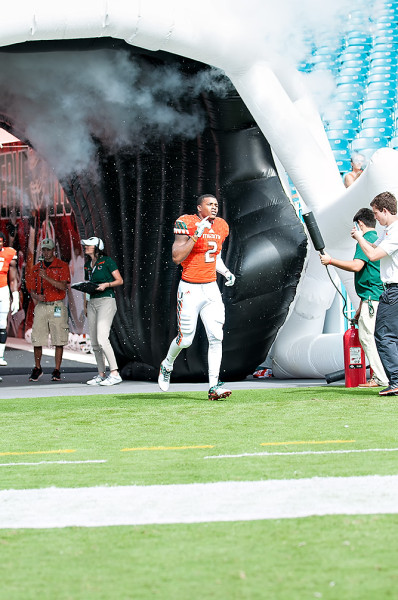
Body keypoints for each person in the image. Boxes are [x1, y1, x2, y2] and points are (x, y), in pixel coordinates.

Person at [158, 194, 236, 400]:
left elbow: (214, 256)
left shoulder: (221, 226)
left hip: (210, 288)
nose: (214, 207)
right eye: (209, 204)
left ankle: (213, 386)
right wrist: (195, 236)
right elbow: (176, 257)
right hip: (190, 289)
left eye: (216, 204)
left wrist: (226, 272)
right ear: (199, 207)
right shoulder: (188, 222)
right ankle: (167, 364)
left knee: (216, 336)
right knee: (185, 340)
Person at [320, 208, 387, 388]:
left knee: (367, 337)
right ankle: (385, 375)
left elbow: (357, 266)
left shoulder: (364, 241)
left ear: (360, 224)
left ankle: (381, 377)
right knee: (382, 338)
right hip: (379, 296)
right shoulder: (379, 240)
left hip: (372, 298)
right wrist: (360, 308)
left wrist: (331, 260)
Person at [351, 191, 398, 396]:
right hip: (391, 290)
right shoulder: (389, 231)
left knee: (383, 334)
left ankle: (395, 381)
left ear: (385, 211)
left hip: (394, 290)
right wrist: (363, 240)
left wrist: (360, 237)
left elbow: (372, 255)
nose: (375, 218)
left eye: (376, 213)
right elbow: (374, 246)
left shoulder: (395, 231)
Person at [27, 238, 71, 382]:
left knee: (59, 338)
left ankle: (57, 369)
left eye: (48, 250)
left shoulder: (62, 266)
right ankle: (37, 367)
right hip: (42, 305)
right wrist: (36, 296)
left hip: (57, 304)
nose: (46, 253)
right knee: (37, 338)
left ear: (53, 250)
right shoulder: (36, 268)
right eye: (44, 250)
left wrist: (46, 277)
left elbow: (63, 286)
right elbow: (32, 290)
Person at [81, 236, 124, 386]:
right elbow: (87, 285)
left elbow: (119, 280)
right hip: (92, 302)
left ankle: (115, 373)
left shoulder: (107, 261)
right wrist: (86, 305)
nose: (86, 247)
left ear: (97, 247)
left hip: (106, 300)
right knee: (94, 341)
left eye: (89, 245)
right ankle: (101, 374)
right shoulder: (87, 265)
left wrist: (106, 284)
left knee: (102, 338)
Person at [0, 231, 19, 369]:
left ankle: (0, 355)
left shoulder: (9, 253)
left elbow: (13, 277)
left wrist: (16, 296)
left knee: (2, 324)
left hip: (2, 290)